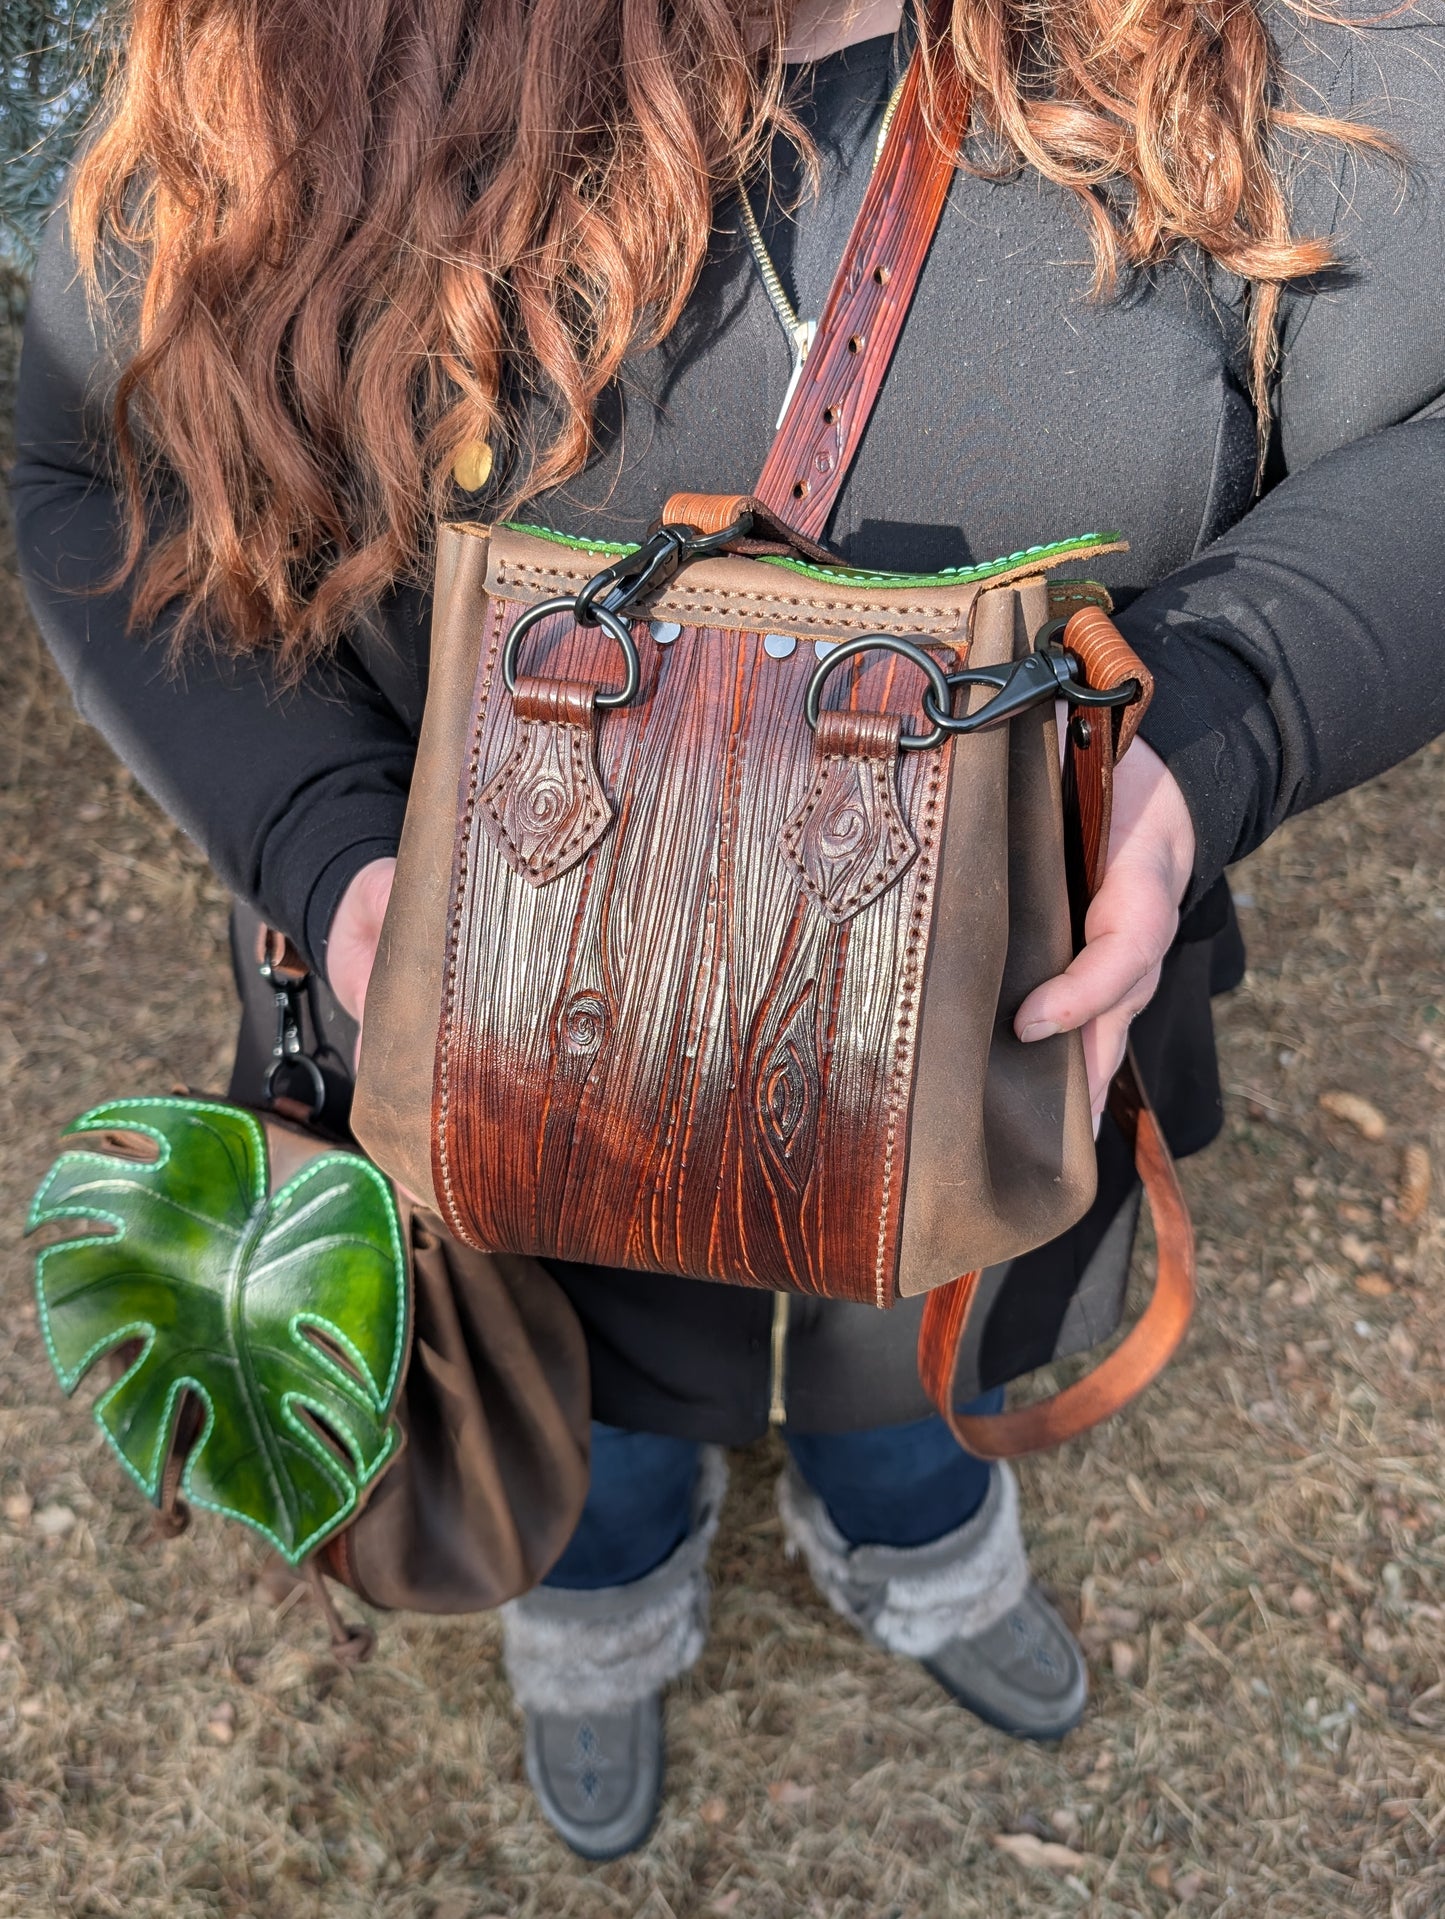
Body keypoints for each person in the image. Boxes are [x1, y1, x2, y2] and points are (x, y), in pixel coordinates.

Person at [12, 0, 1445, 1863]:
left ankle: (916, 1541)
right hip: (496, 1083)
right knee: (575, 1426)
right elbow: (87, 459)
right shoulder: (281, 62)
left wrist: (1214, 724)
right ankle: (597, 1598)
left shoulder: (1272, 58)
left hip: (996, 1066)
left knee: (927, 1369)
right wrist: (332, 850)